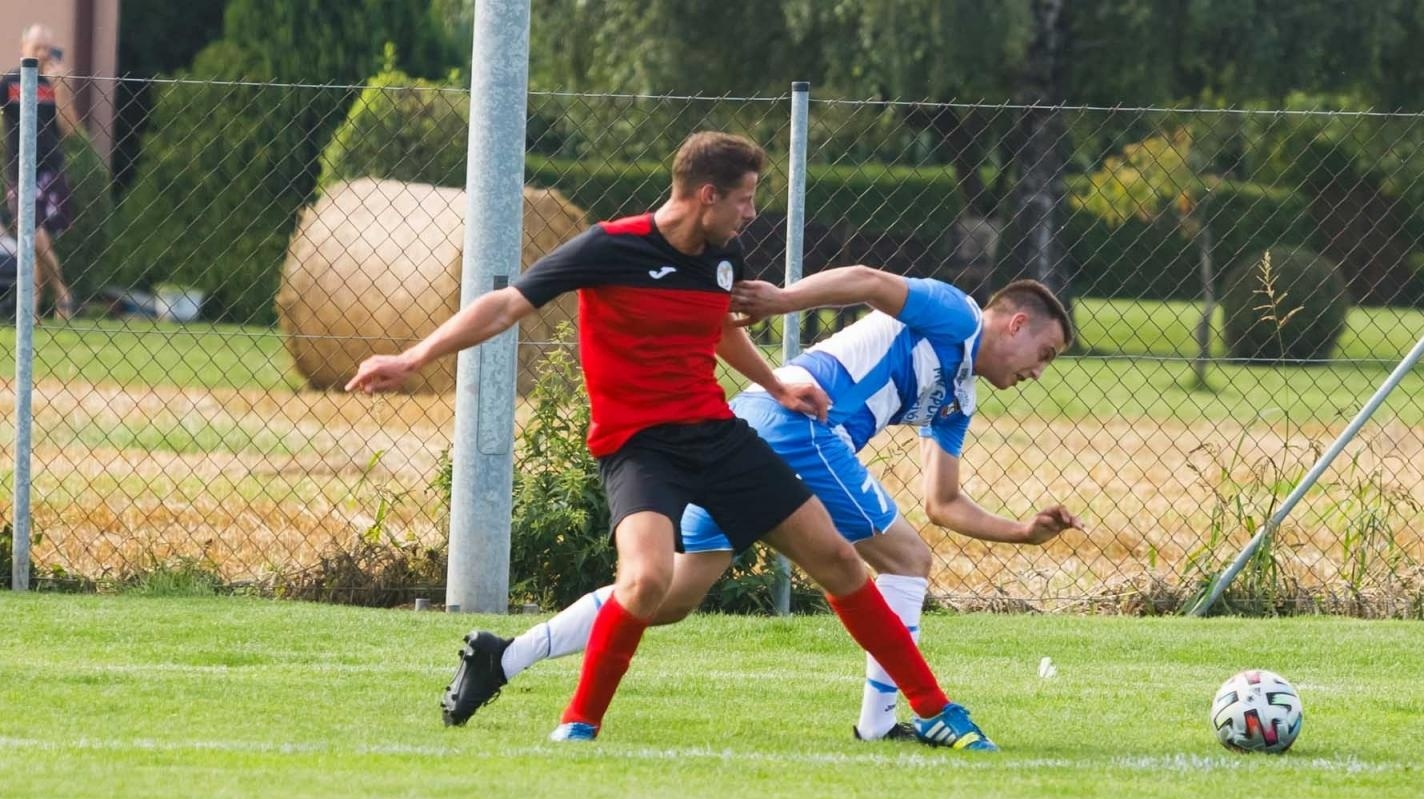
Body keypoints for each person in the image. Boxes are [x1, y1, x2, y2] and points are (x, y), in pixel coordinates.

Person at [346, 132, 998, 751]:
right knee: (649, 580)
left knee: (839, 560)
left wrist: (776, 385)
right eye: (744, 198)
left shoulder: (722, 260)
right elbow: (506, 305)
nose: (751, 212)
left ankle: (935, 709)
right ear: (706, 195)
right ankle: (578, 725)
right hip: (638, 448)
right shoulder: (608, 247)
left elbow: (719, 329)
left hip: (718, 436)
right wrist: (413, 356)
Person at [453, 267, 1082, 741]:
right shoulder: (959, 315)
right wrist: (781, 300)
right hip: (798, 423)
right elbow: (867, 281)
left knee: (670, 595)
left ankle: (505, 656)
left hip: (755, 425)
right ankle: (884, 722)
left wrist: (1022, 532)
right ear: (1015, 324)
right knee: (906, 559)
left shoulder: (959, 396)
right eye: (1045, 355)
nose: (1039, 372)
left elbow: (942, 502)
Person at [2, 24, 78, 319]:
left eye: (47, 48)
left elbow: (70, 131)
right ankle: (62, 292)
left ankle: (30, 312)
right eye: (37, 48)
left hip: (51, 170)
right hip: (19, 170)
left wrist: (61, 89)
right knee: (32, 234)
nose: (43, 54)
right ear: (24, 49)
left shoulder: (55, 84)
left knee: (36, 241)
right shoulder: (10, 82)